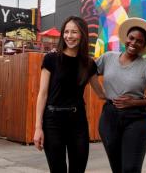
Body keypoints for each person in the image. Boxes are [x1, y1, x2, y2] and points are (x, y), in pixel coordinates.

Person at [34, 16, 105, 173]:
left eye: (74, 32)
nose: (69, 36)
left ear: (83, 35)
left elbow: (101, 93)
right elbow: (43, 94)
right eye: (66, 32)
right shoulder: (51, 59)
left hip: (77, 121)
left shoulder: (89, 64)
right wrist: (38, 128)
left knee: (78, 169)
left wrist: (131, 96)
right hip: (52, 121)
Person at [97, 17, 146, 173]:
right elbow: (88, 73)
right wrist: (100, 92)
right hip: (109, 117)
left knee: (130, 168)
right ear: (126, 38)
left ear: (143, 45)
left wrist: (133, 103)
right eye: (131, 38)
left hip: (136, 119)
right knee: (117, 168)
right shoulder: (108, 58)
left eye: (139, 41)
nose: (134, 43)